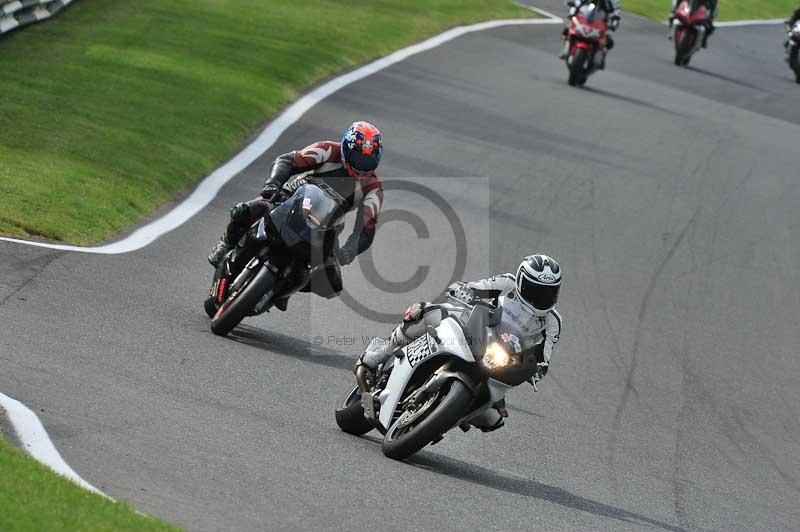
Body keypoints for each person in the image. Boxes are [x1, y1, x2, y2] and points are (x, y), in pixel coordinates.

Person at [355, 254, 563, 432]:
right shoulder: (507, 284)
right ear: (521, 281)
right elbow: (473, 288)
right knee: (427, 312)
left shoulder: (553, 321)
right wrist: (465, 291)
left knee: (493, 419)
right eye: (535, 290)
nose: (541, 297)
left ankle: (448, 416)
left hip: (501, 360)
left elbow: (544, 357)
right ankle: (381, 352)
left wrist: (535, 370)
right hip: (475, 329)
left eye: (548, 292)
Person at [208, 121, 384, 310]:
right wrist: (272, 184)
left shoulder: (373, 188)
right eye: (358, 157)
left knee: (332, 281)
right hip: (290, 198)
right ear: (346, 148)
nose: (362, 166)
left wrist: (348, 252)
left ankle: (283, 290)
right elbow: (287, 160)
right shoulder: (326, 150)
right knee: (246, 210)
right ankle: (226, 242)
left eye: (368, 161)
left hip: (326, 227)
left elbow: (366, 230)